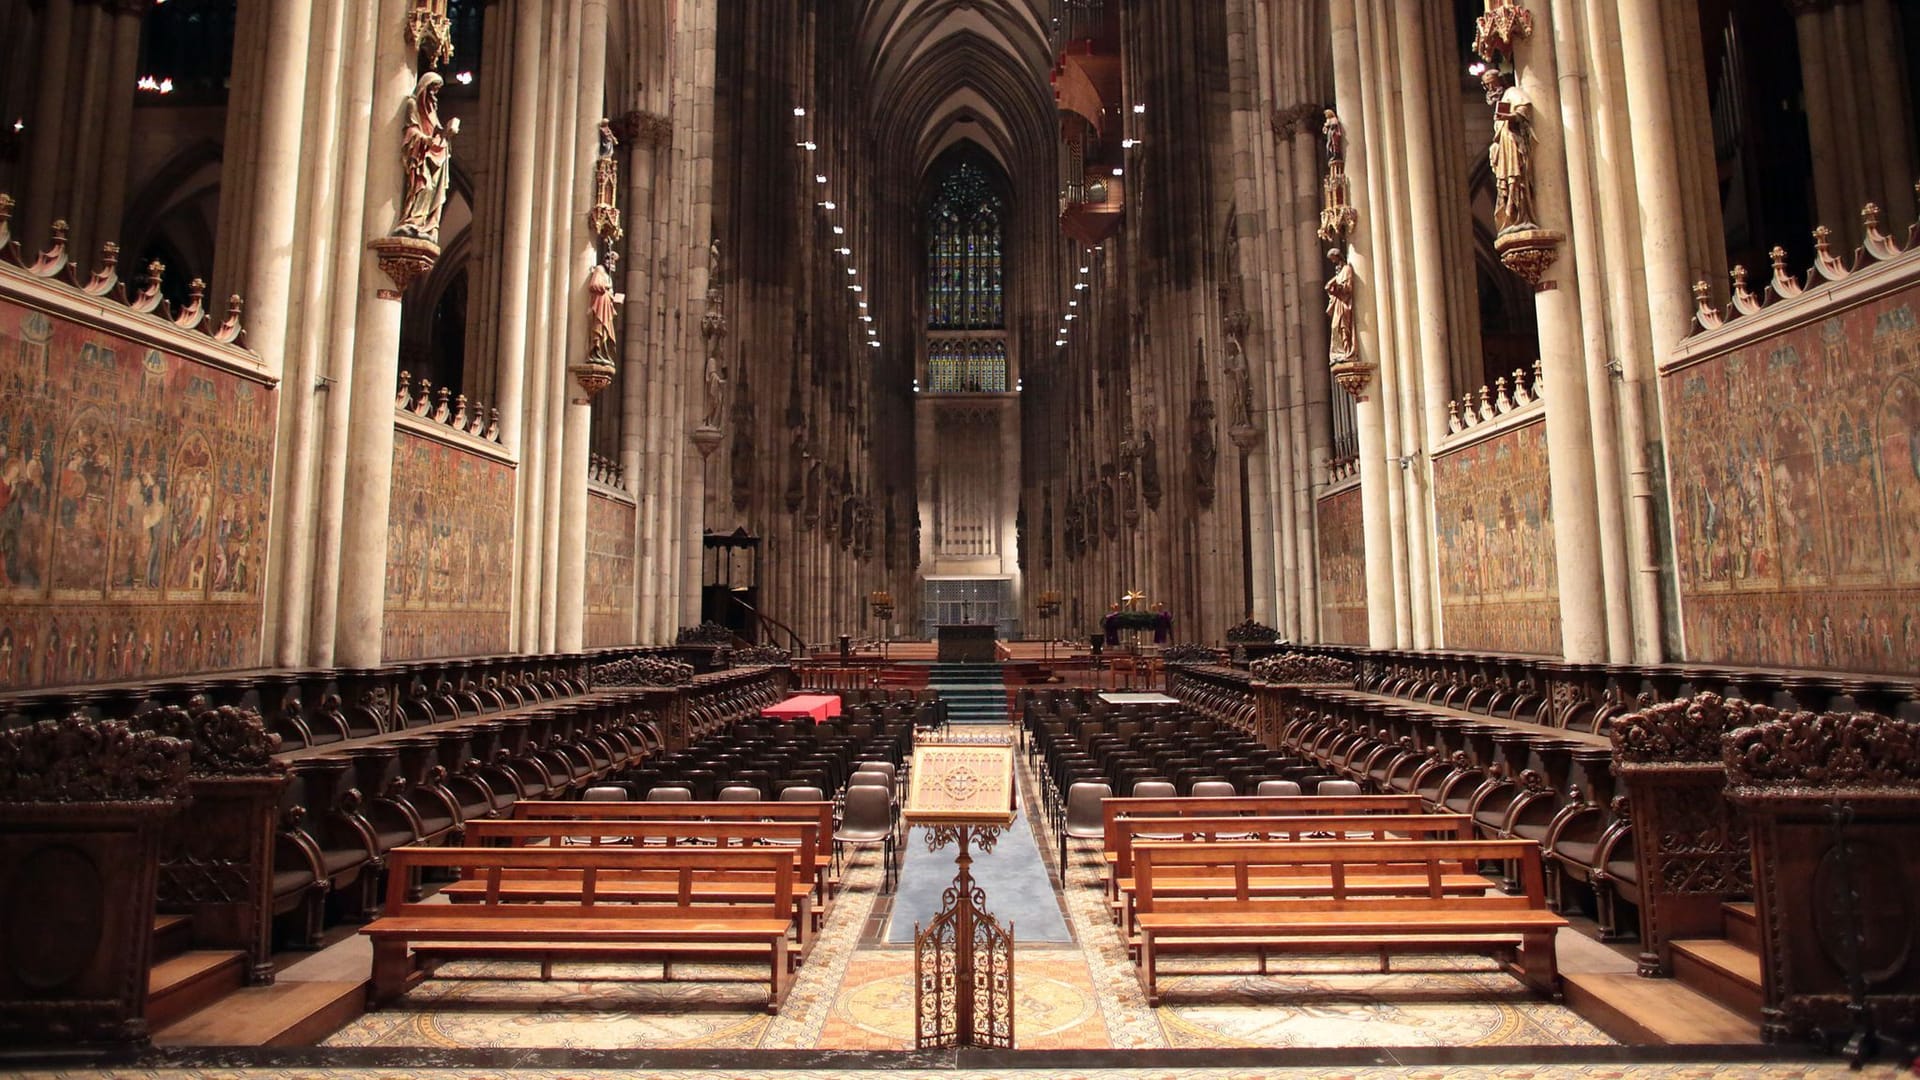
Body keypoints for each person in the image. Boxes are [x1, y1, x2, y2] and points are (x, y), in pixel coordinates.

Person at [395, 72, 459, 241]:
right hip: (421, 156)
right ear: (424, 87)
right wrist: (426, 140)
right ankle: (413, 219)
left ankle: (424, 223)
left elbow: (437, 129)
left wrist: (448, 132)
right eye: (432, 89)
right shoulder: (412, 105)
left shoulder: (431, 110)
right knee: (425, 186)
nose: (433, 95)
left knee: (433, 190)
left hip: (431, 156)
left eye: (436, 91)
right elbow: (411, 130)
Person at [1484, 69, 1535, 233]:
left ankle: (1520, 215)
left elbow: (1523, 111)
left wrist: (1509, 117)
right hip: (1504, 151)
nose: (1490, 89)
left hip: (1513, 147)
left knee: (1516, 181)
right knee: (1506, 186)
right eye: (1486, 86)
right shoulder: (1501, 102)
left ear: (1500, 81)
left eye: (1492, 84)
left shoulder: (1512, 93)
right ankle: (1511, 216)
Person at [1325, 247, 1356, 362]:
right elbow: (1329, 286)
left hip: (1344, 303)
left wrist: (1337, 289)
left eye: (1334, 259)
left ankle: (1347, 352)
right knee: (1335, 327)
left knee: (1343, 327)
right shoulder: (1339, 273)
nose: (1333, 262)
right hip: (1338, 302)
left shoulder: (1347, 269)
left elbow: (1347, 288)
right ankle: (1340, 353)